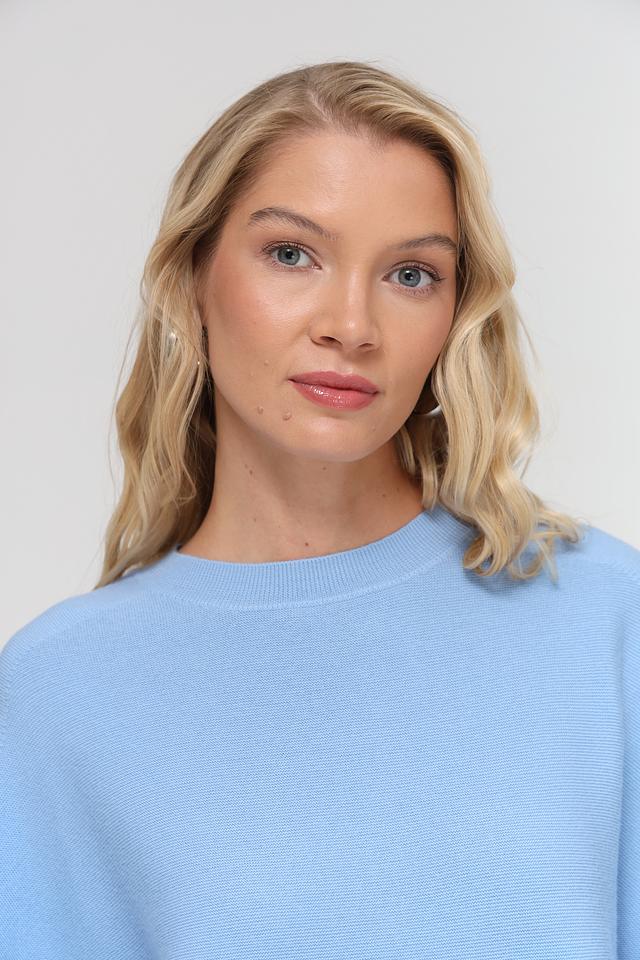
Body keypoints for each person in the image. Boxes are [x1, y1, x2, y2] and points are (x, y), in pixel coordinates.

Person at [1, 59, 638, 960]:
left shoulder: (603, 615)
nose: (351, 325)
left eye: (411, 274)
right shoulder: (58, 692)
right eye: (292, 254)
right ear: (193, 277)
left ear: (456, 312)